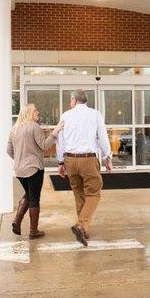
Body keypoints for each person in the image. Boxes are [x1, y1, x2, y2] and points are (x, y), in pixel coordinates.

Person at [56, 89, 112, 246]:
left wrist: (61, 162)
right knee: (94, 193)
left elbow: (60, 140)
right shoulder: (95, 114)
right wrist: (108, 157)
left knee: (78, 193)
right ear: (85, 100)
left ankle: (84, 230)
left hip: (70, 160)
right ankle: (81, 225)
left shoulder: (65, 116)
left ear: (74, 100)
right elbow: (102, 137)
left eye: (70, 100)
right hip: (88, 160)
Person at [7, 104, 63, 239]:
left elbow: (8, 151)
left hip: (19, 170)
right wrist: (55, 132)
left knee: (29, 193)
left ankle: (17, 221)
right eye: (35, 111)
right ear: (29, 113)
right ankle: (33, 231)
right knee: (34, 198)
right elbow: (44, 145)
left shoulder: (14, 129)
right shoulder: (34, 126)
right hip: (33, 169)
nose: (38, 112)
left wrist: (20, 160)